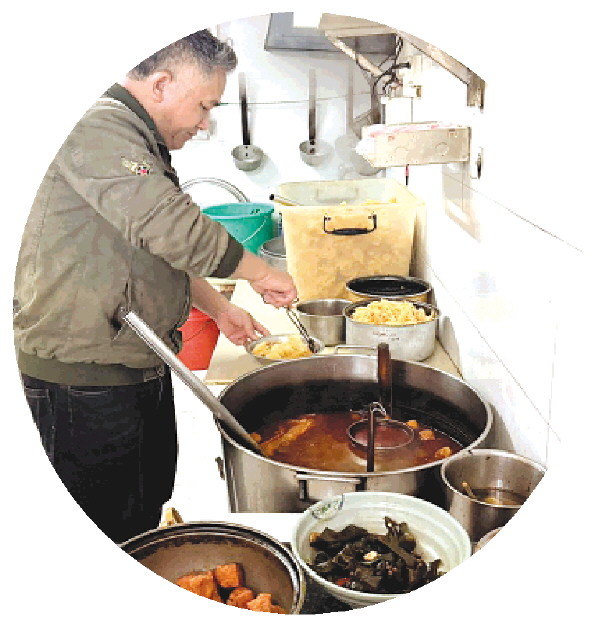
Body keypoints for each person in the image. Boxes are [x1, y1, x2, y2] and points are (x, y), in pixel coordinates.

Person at [13, 30, 297, 544]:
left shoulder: (137, 138)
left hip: (137, 354)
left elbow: (152, 248)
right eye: (204, 106)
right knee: (107, 524)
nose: (205, 123)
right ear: (162, 84)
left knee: (146, 500)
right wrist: (261, 272)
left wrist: (219, 309)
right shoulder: (97, 127)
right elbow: (171, 226)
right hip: (85, 376)